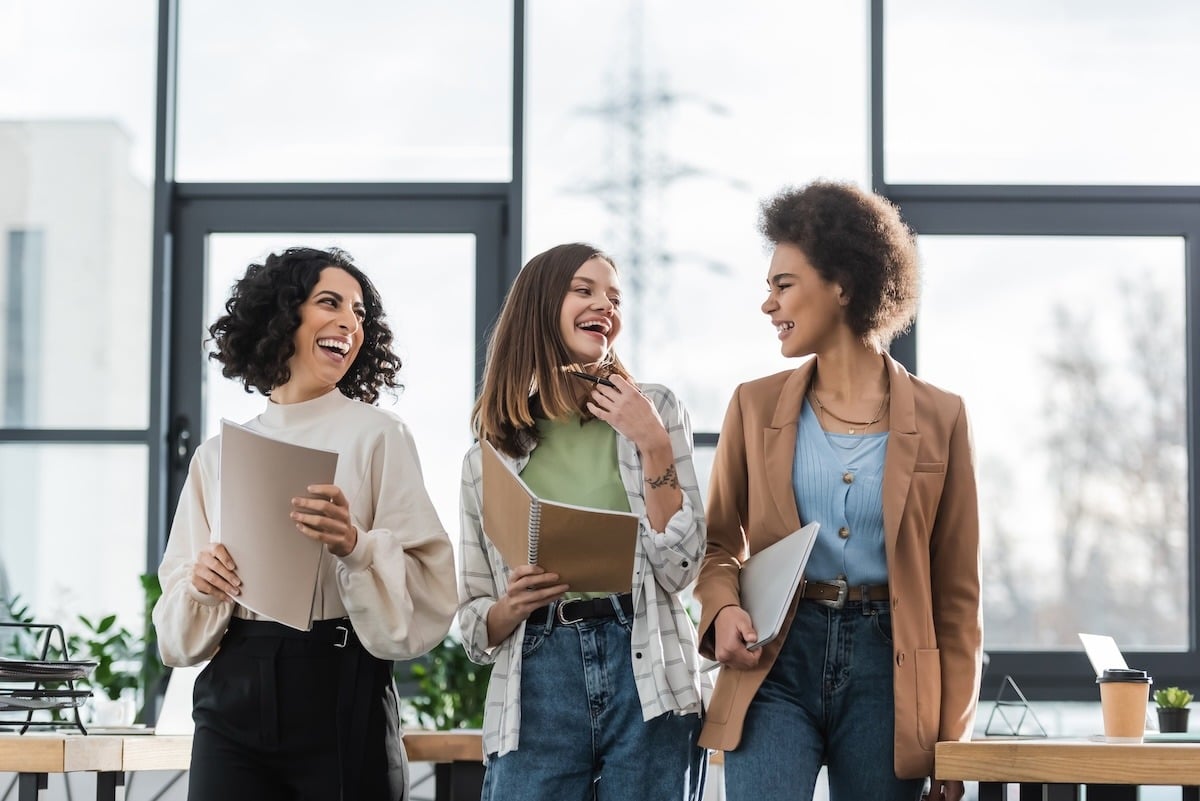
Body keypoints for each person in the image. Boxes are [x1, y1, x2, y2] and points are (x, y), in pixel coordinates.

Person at [694, 182, 982, 801]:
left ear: (844, 286)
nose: (767, 304)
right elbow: (717, 543)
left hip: (890, 669)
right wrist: (721, 610)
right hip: (775, 657)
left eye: (783, 284)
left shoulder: (943, 417)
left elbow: (956, 597)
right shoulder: (753, 404)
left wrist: (952, 746)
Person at [153, 246, 458, 800]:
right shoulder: (216, 456)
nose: (350, 322)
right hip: (235, 685)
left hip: (340, 683)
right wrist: (202, 586)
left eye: (360, 313)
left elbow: (431, 591)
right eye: (330, 303)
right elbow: (175, 639)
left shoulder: (379, 436)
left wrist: (357, 546)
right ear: (282, 316)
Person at [457, 242, 708, 801]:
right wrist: (509, 607)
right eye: (585, 290)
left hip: (645, 666)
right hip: (537, 678)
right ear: (541, 307)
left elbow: (680, 570)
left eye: (614, 297)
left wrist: (653, 446)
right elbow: (474, 627)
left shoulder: (656, 410)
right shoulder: (488, 458)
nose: (606, 306)